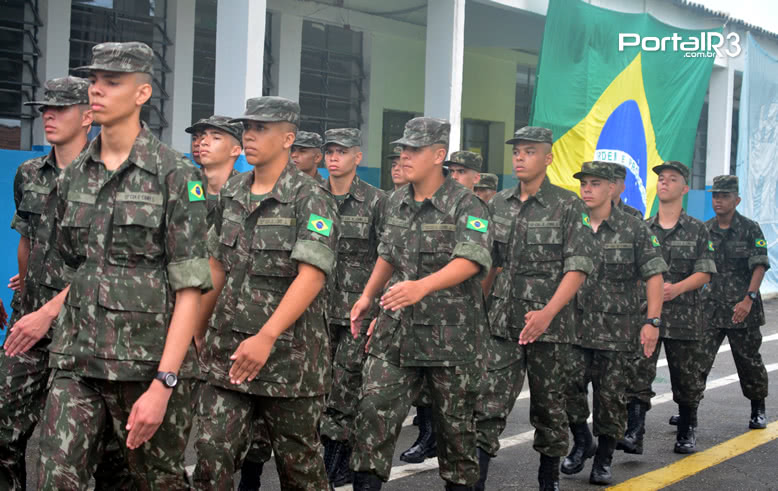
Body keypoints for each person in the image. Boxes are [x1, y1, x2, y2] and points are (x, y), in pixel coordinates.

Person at [8, 42, 212, 489]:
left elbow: (190, 289)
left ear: (142, 93)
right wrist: (46, 313)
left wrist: (164, 383)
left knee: (156, 482)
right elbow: (78, 266)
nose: (96, 90)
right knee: (53, 475)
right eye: (94, 81)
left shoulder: (176, 174)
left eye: (111, 82)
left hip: (144, 366)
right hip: (77, 361)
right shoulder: (75, 173)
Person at [192, 96, 338, 490]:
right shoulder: (234, 191)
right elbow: (216, 264)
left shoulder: (311, 198)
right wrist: (199, 326)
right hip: (228, 353)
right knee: (211, 454)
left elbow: (311, 276)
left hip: (289, 362)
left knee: (299, 469)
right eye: (247, 128)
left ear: (288, 138)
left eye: (261, 129)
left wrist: (267, 336)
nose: (250, 136)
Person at [2, 76, 133, 490]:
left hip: (86, 329)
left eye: (60, 109)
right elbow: (26, 237)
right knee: (5, 427)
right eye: (45, 109)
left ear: (88, 117)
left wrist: (49, 308)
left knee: (103, 453)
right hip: (31, 327)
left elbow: (109, 262)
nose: (49, 116)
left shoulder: (111, 179)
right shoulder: (30, 173)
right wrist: (27, 288)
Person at [349, 117, 492, 490]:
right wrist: (367, 295)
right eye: (403, 149)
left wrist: (421, 287)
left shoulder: (467, 205)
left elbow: (472, 258)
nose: (404, 155)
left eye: (414, 149)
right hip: (396, 333)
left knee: (455, 432)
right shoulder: (395, 201)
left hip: (452, 340)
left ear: (438, 155)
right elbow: (387, 253)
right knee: (371, 413)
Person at [474, 126, 595, 491]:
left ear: (548, 157)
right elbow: (488, 263)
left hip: (551, 327)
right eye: (517, 152)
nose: (520, 158)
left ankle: (548, 479)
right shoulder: (497, 204)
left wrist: (547, 314)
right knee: (487, 405)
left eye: (529, 151)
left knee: (549, 407)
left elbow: (578, 267)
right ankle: (474, 481)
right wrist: (480, 311)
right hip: (502, 322)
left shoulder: (568, 205)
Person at [562, 161, 666, 484]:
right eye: (584, 183)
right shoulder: (570, 223)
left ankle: (603, 459)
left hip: (616, 331)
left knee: (610, 399)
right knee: (567, 389)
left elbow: (654, 276)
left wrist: (652, 320)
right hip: (573, 328)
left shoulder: (633, 228)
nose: (587, 189)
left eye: (595, 183)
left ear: (612, 187)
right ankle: (582, 440)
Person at [618, 161, 716, 455]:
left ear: (684, 188)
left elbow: (705, 272)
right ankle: (634, 433)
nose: (664, 183)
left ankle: (686, 431)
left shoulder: (698, 229)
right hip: (649, 316)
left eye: (672, 179)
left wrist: (676, 288)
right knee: (638, 373)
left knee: (686, 378)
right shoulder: (643, 228)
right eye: (661, 178)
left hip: (685, 316)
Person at [318, 128, 385, 488]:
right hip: (317, 311)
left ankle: (338, 458)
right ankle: (329, 450)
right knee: (320, 384)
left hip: (358, 314)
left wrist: (381, 312)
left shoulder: (376, 202)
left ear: (357, 157)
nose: (333, 158)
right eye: (329, 151)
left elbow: (388, 259)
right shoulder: (311, 197)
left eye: (342, 152)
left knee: (346, 386)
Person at [699, 175, 770, 429]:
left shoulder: (750, 229)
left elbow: (759, 265)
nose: (718, 200)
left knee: (748, 361)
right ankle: (688, 409)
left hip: (743, 308)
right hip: (712, 307)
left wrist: (748, 299)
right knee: (698, 360)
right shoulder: (705, 229)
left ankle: (758, 408)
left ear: (736, 199)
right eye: (715, 196)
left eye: (725, 196)